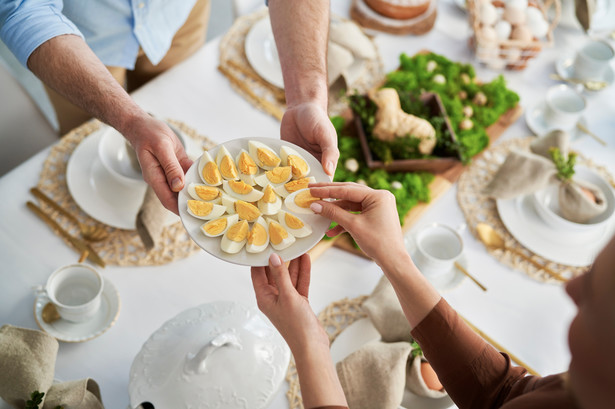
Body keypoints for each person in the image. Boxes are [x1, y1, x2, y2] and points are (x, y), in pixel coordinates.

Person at [252, 181, 615, 409]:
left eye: (596, 287)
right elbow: (504, 394)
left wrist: (309, 342)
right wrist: (395, 259)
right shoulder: (583, 392)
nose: (569, 287)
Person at [0, 0, 338, 214]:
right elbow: (21, 8)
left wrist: (307, 96)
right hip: (75, 38)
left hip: (177, 13)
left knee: (177, 109)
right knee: (89, 146)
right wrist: (130, 118)